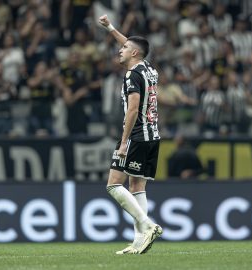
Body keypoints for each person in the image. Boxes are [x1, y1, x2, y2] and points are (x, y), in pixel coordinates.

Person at [98, 14, 163, 255]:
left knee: (113, 185)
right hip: (152, 135)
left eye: (124, 48)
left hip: (136, 135)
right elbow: (133, 45)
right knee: (137, 188)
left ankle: (148, 226)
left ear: (133, 54)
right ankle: (139, 242)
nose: (120, 50)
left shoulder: (131, 75)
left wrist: (123, 142)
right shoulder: (147, 67)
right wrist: (111, 28)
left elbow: (133, 109)